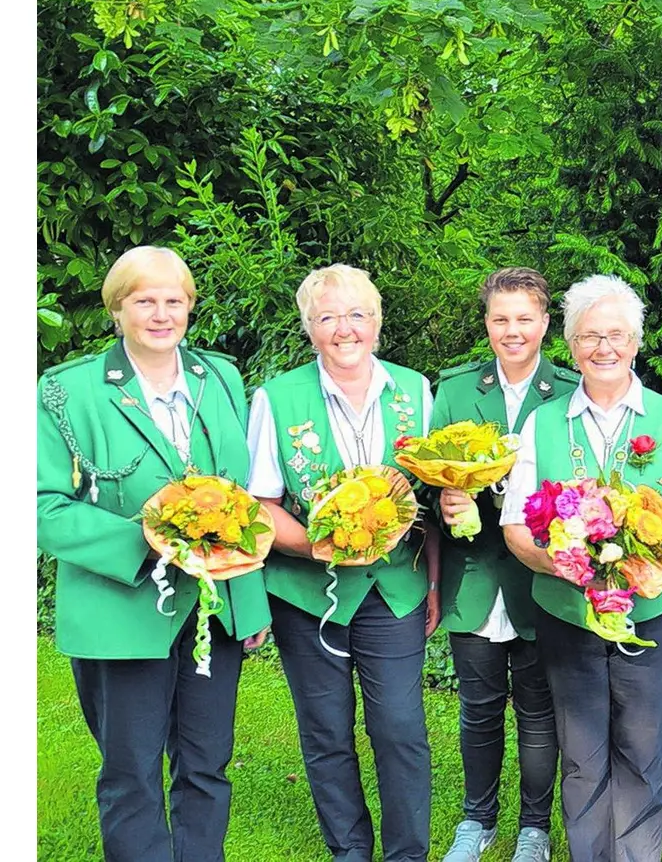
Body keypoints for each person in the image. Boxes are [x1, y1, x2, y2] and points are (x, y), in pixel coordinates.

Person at [36, 245, 271, 862]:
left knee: (206, 767)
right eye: (145, 300)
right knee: (131, 774)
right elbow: (41, 506)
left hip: (213, 611)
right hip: (121, 609)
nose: (162, 314)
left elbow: (238, 502)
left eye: (175, 300)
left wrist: (250, 604)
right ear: (118, 310)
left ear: (190, 307)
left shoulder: (220, 377)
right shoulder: (69, 390)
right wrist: (146, 538)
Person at [499, 274, 662, 861]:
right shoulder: (541, 423)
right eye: (589, 335)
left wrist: (644, 566)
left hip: (652, 614)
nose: (604, 347)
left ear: (636, 342)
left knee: (642, 749)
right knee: (582, 752)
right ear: (570, 346)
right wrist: (563, 563)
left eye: (616, 335)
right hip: (568, 613)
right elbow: (516, 528)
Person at [245, 264, 435, 862]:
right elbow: (259, 504)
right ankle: (349, 851)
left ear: (377, 322)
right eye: (327, 317)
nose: (344, 329)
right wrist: (313, 545)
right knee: (327, 732)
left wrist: (433, 580)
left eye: (357, 314)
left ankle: (407, 854)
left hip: (393, 590)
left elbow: (429, 493)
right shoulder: (276, 398)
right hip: (307, 594)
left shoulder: (416, 390)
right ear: (309, 328)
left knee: (400, 728)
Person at [430, 268, 576, 862]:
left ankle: (534, 830)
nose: (512, 331)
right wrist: (447, 503)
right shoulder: (457, 390)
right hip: (475, 574)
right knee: (480, 705)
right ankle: (477, 821)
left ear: (544, 324)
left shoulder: (569, 390)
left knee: (539, 710)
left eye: (524, 319)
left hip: (540, 576)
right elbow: (426, 486)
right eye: (500, 319)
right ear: (486, 324)